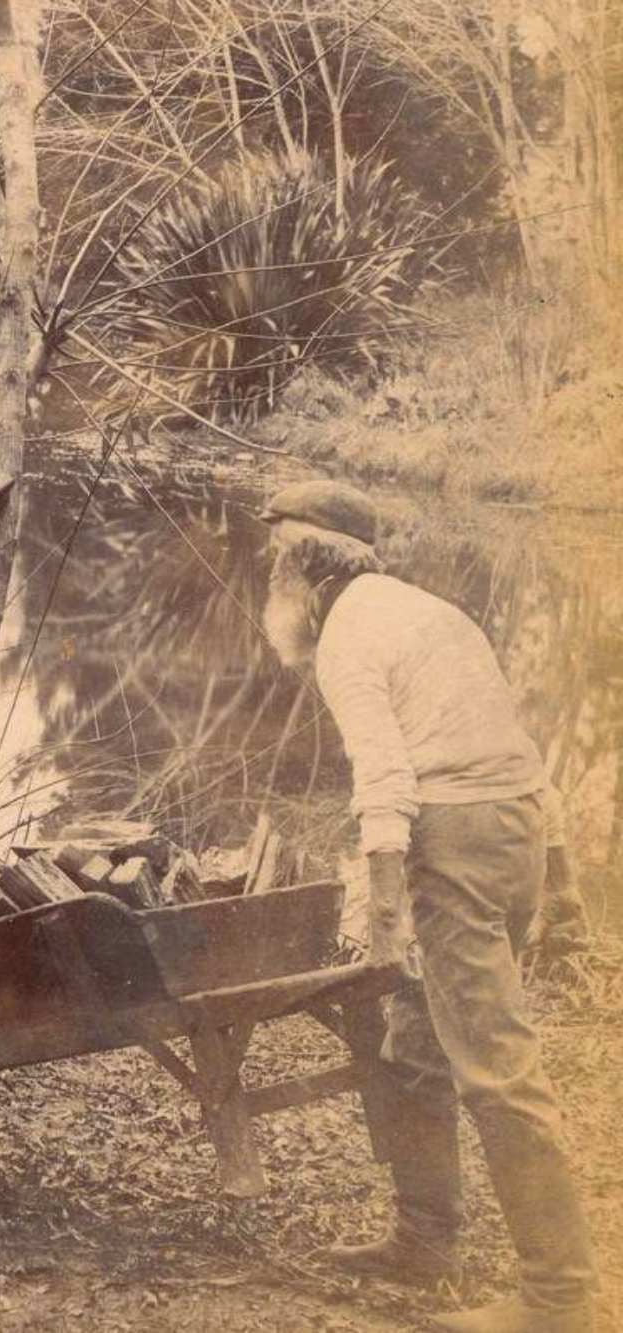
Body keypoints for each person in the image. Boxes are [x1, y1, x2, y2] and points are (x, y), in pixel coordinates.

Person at [257, 479, 600, 1333]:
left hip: (455, 845)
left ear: (304, 569)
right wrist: (559, 881)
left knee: (495, 1068)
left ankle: (560, 1300)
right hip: (512, 829)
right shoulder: (434, 613)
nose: (271, 588)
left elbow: (386, 780)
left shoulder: (347, 637)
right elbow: (522, 749)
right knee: (413, 1037)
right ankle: (425, 1238)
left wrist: (379, 922)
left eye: (274, 568)